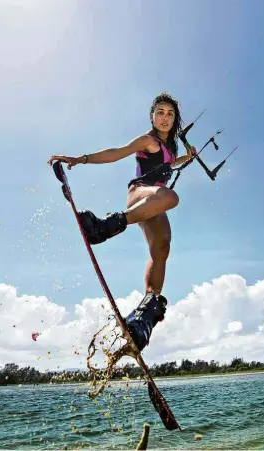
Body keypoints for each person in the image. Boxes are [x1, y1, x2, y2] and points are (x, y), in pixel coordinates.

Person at [47, 92, 196, 351]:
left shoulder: (170, 150)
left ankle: (144, 317)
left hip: (154, 202)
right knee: (171, 197)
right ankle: (104, 226)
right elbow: (117, 153)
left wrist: (187, 157)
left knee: (162, 248)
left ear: (175, 120)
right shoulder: (147, 140)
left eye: (170, 114)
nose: (164, 117)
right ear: (152, 116)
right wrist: (80, 159)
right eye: (160, 112)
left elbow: (171, 162)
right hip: (140, 194)